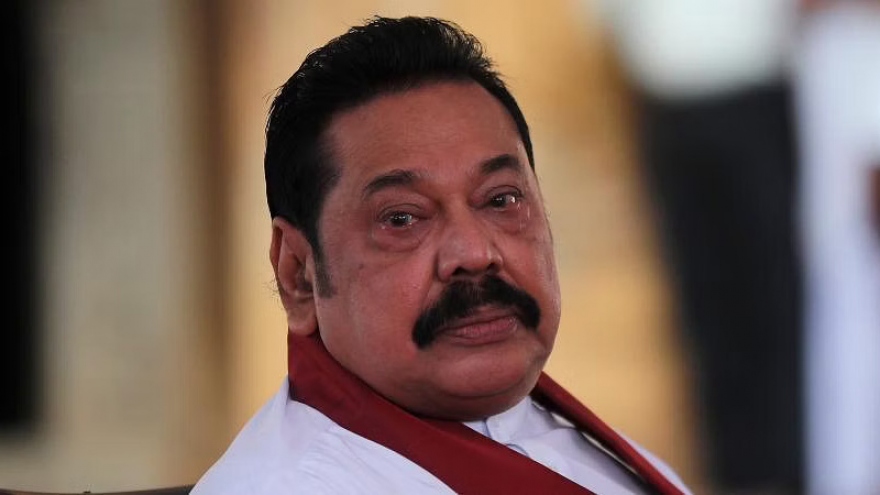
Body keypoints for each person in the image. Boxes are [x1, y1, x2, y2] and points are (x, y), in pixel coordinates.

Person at [191, 16, 693, 495]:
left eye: (501, 199)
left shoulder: (599, 456)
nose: (474, 253)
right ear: (299, 275)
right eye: (402, 219)